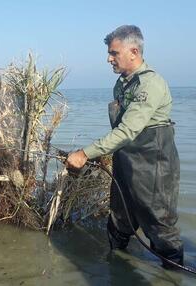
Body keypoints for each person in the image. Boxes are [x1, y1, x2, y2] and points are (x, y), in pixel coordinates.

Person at [66, 25, 183, 268]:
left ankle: (173, 274)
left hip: (154, 164)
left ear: (134, 51)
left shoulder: (150, 84)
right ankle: (116, 268)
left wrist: (85, 153)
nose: (109, 59)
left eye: (113, 53)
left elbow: (128, 130)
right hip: (126, 161)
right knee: (119, 219)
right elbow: (121, 133)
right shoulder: (123, 84)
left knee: (160, 225)